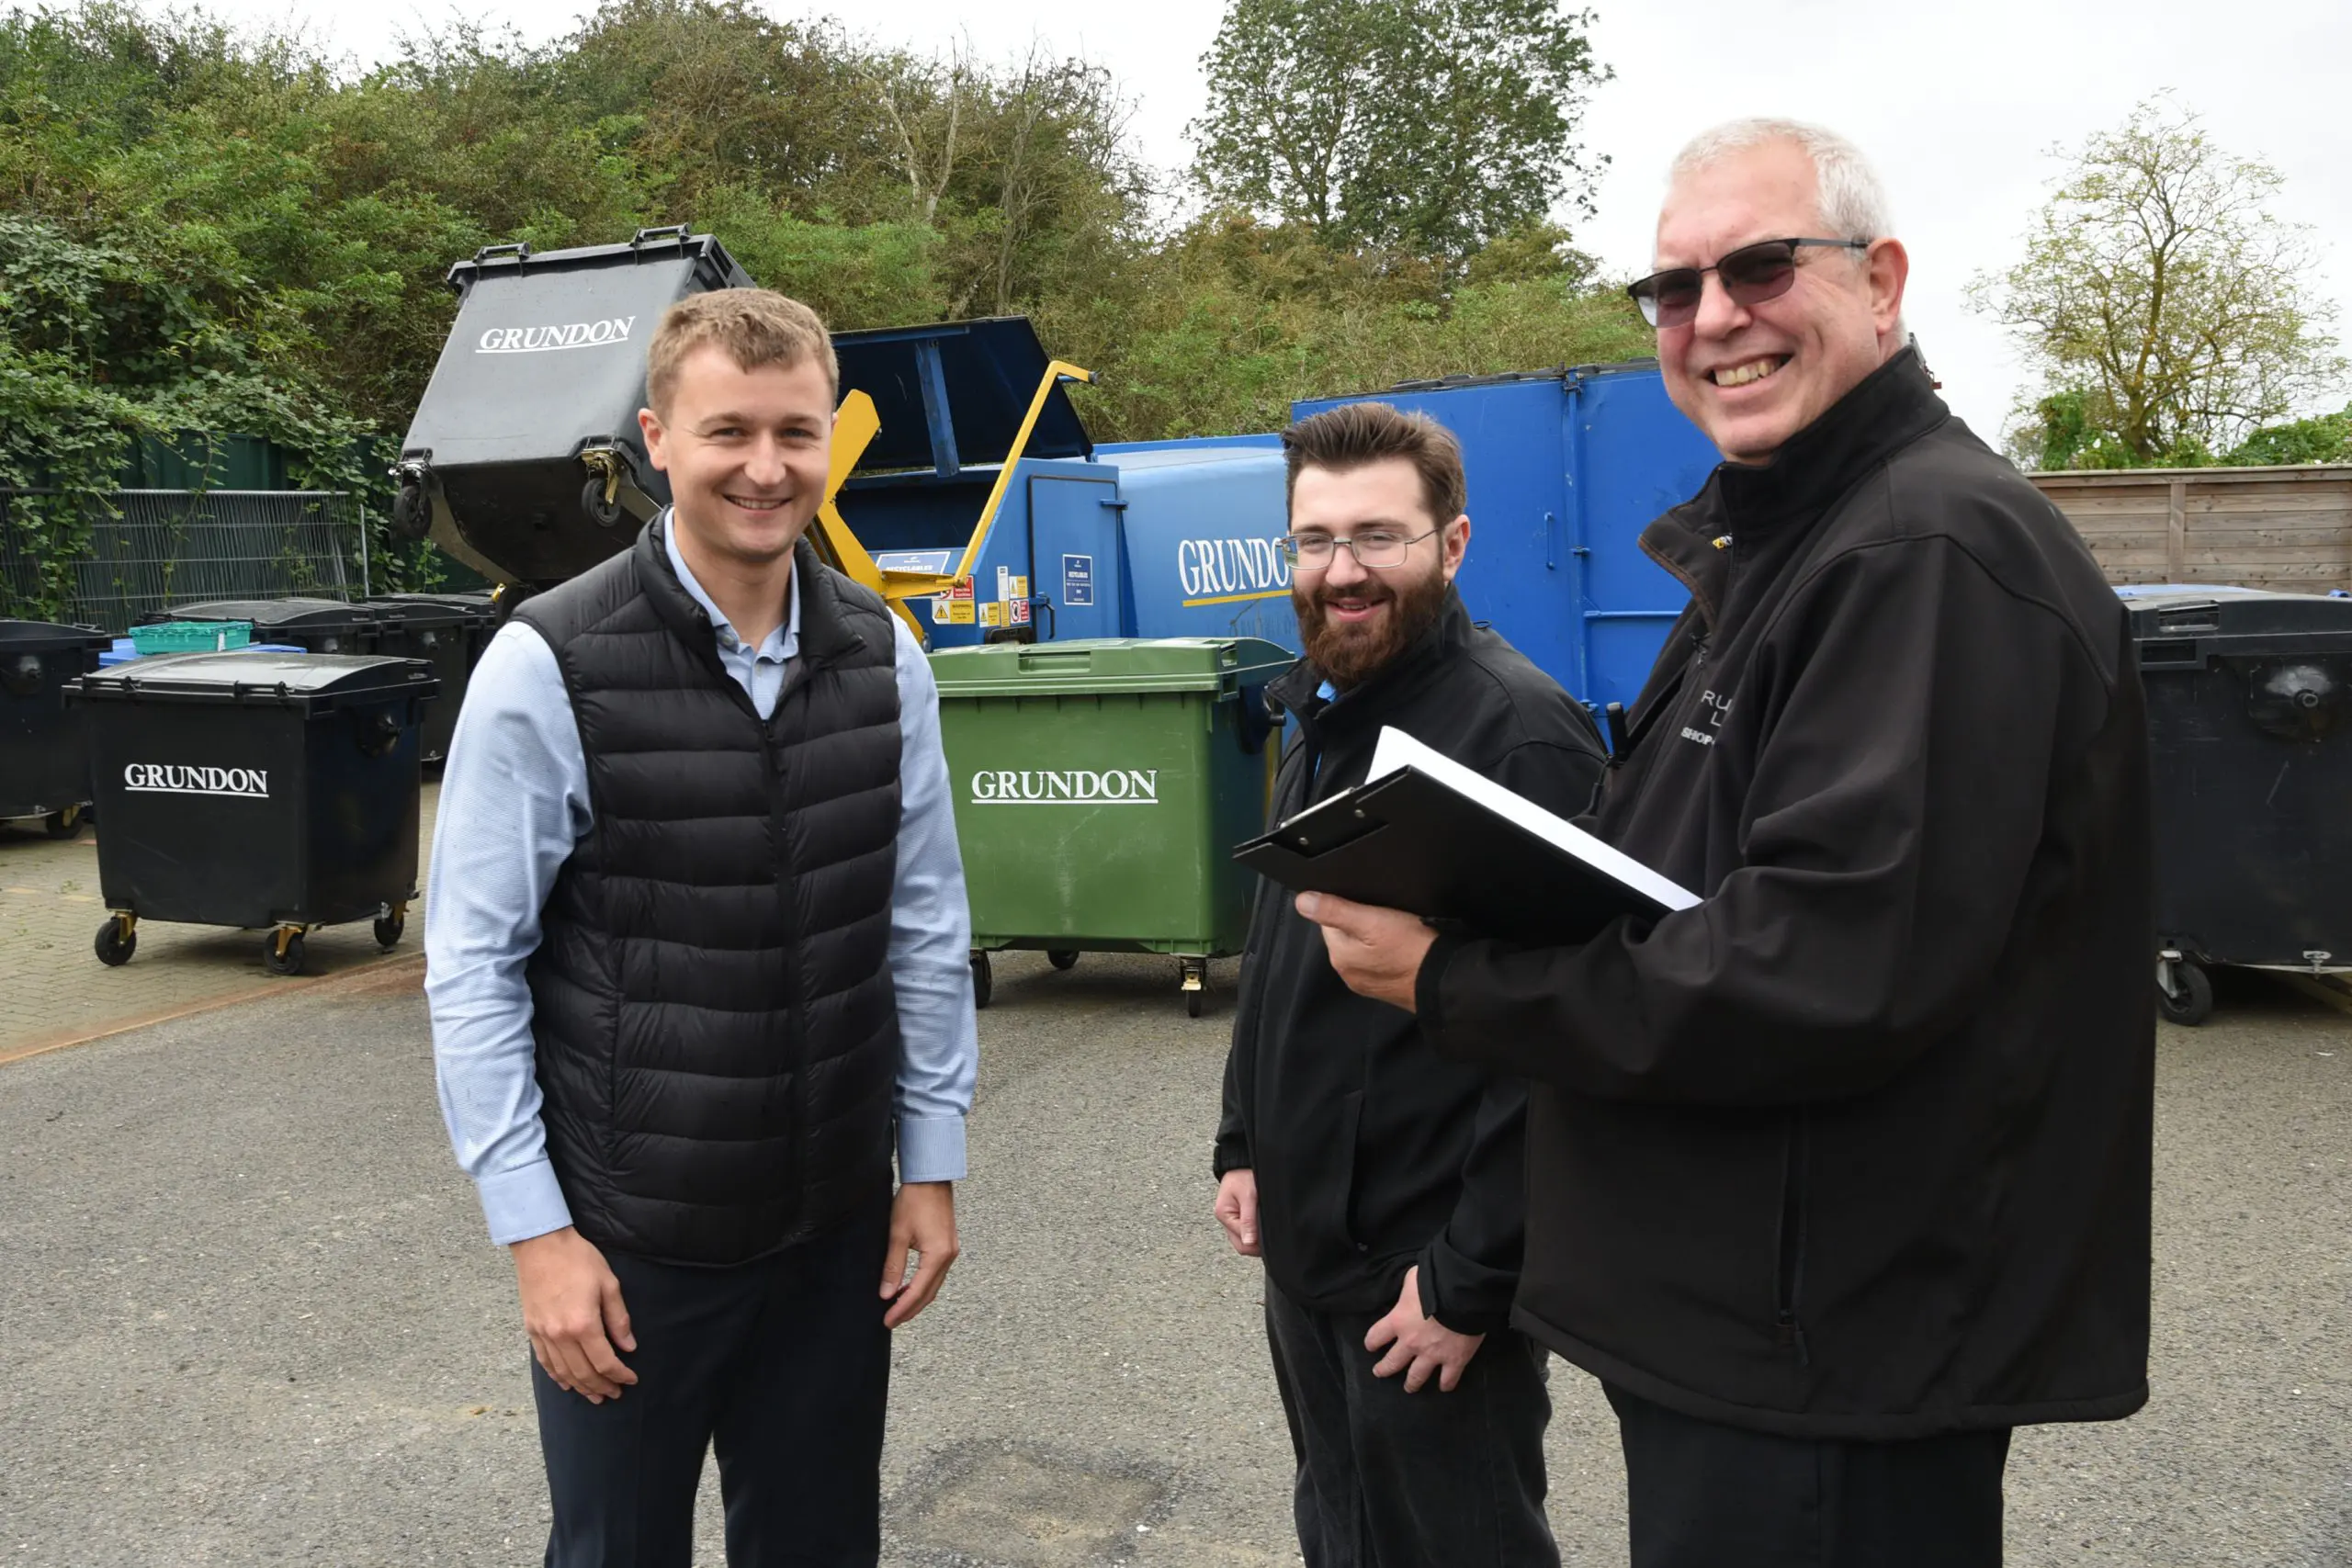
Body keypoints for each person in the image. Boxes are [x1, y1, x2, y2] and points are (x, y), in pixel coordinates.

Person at [1298, 119, 2154, 1567]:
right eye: (1673, 289)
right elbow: (1689, 872)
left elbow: (1823, 964)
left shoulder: (1924, 554)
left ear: (1880, 282)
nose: (1712, 318)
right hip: (1751, 1330)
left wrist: (1457, 982)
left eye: (1760, 267)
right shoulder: (1796, 543)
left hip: (1831, 1350)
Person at [425, 288, 977, 1568]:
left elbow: (923, 923)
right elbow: (474, 968)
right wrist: (537, 1236)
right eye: (728, 431)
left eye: (796, 432)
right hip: (630, 1249)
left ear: (830, 440)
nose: (766, 467)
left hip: (833, 1232)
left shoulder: (883, 654)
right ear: (655, 440)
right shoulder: (548, 660)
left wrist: (930, 1162)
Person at [1214, 401, 1608, 1568]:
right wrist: (1243, 1143)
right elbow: (1279, 944)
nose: (1342, 572)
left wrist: (1470, 1281)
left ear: (1454, 542)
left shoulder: (1516, 735)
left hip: (1422, 1281)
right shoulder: (1321, 706)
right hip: (1310, 1246)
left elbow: (1568, 1036)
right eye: (1315, 540)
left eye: (1378, 537)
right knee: (1338, 1534)